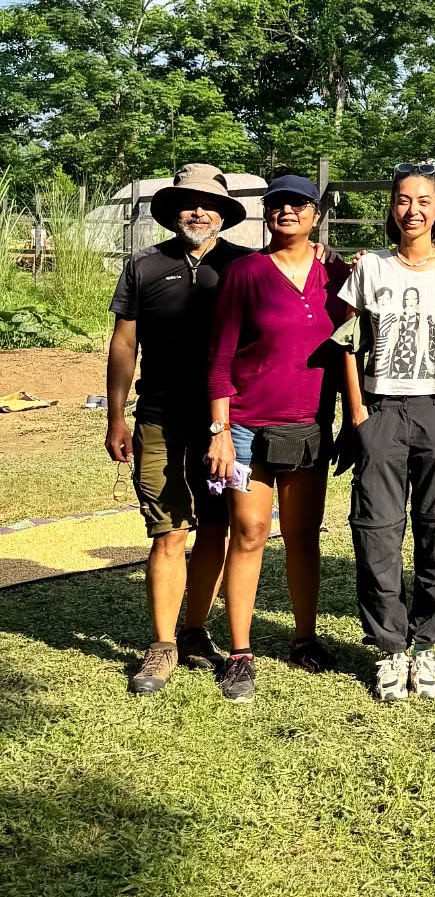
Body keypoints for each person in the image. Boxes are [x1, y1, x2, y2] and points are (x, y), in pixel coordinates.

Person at [337, 162, 435, 702]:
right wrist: (358, 415)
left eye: (424, 200)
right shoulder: (372, 267)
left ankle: (426, 647)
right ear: (392, 207)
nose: (413, 209)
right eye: (403, 199)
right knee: (376, 530)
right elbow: (348, 344)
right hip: (380, 411)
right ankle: (389, 648)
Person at [205, 175, 352, 702]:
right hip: (245, 426)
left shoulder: (338, 275)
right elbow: (219, 358)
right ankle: (240, 653)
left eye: (296, 205)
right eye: (275, 205)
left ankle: (304, 639)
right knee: (247, 532)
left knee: (302, 536)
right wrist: (219, 431)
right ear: (266, 215)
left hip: (310, 425)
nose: (285, 212)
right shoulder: (244, 273)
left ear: (315, 213)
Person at [104, 163, 249, 695]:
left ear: (223, 215)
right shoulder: (144, 266)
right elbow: (124, 345)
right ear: (174, 210)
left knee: (215, 527)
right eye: (188, 202)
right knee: (168, 531)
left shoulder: (244, 268)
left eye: (208, 204)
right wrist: (117, 414)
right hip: (159, 418)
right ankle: (163, 644)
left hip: (224, 424)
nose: (198, 211)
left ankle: (194, 632)